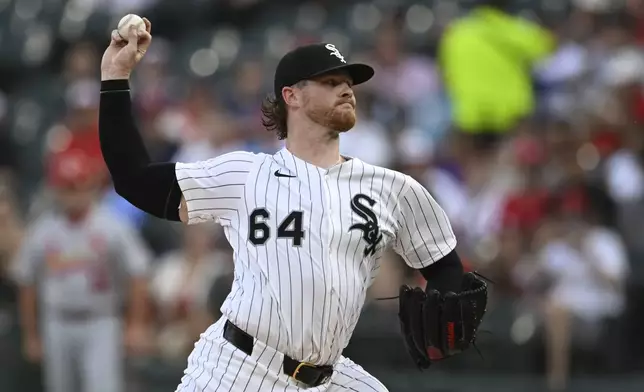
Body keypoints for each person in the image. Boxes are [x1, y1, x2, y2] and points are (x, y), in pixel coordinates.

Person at [99, 19, 483, 392]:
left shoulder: (393, 189)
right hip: (240, 368)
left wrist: (446, 302)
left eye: (349, 83)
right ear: (292, 95)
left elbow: (444, 265)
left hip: (329, 376)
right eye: (331, 81)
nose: (346, 90)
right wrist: (115, 78)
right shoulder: (247, 173)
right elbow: (134, 178)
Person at [11, 149, 152, 392]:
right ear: (57, 189)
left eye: (78, 186)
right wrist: (31, 334)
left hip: (101, 320)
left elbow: (139, 272)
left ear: (91, 187)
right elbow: (26, 280)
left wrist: (135, 324)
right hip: (56, 321)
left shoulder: (111, 225)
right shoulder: (43, 229)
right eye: (67, 187)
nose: (73, 195)